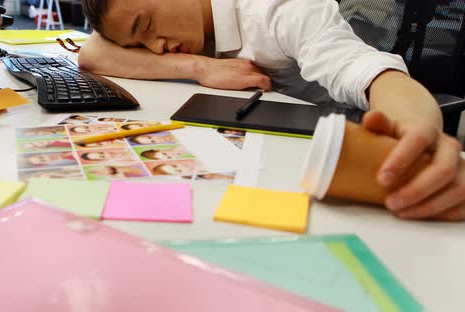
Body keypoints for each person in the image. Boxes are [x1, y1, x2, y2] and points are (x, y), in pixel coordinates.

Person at [79, 0, 465, 221]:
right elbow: (93, 53)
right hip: (258, 143)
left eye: (147, 25)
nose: (156, 46)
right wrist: (200, 67)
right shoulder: (171, 28)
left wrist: (416, 128)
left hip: (331, 148)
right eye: (138, 41)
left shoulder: (280, 10)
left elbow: (375, 75)